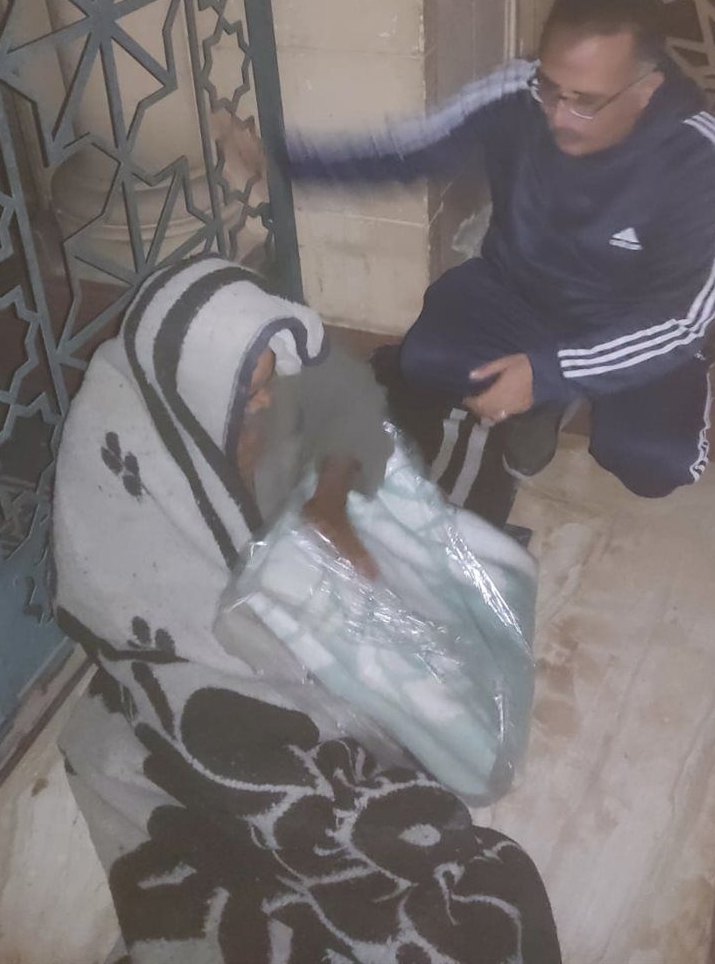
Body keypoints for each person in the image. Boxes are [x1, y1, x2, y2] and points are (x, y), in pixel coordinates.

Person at [52, 255, 560, 963]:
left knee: (466, 596)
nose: (265, 401)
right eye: (251, 389)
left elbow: (346, 451)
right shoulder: (128, 441)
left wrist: (353, 523)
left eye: (269, 381)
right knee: (301, 788)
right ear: (205, 386)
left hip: (266, 599)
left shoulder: (245, 404)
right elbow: (157, 592)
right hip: (188, 646)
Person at [277, 0, 715, 502]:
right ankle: (542, 401)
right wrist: (284, 160)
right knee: (424, 358)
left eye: (587, 102)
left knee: (654, 461)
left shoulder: (703, 158)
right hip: (522, 293)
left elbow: (682, 319)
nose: (558, 115)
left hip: (630, 321)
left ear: (646, 89)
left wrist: (552, 370)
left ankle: (562, 384)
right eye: (550, 87)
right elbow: (411, 151)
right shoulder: (517, 93)